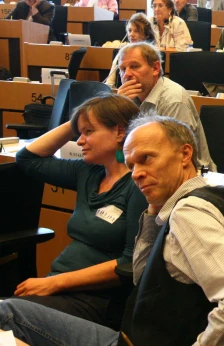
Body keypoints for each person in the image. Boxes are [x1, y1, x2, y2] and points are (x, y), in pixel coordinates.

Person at [0, 115, 224, 345]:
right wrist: (155, 208)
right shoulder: (209, 196)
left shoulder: (190, 215)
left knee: (8, 313)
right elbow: (142, 273)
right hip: (134, 332)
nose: (137, 173)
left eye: (147, 159)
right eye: (132, 166)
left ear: (185, 154)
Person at [8, 95, 145, 329]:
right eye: (79, 132)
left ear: (120, 132)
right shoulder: (89, 172)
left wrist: (56, 284)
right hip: (59, 288)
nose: (79, 140)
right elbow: (27, 158)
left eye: (88, 132)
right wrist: (75, 123)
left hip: (98, 302)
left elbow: (131, 263)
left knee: (6, 315)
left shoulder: (138, 185)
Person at [116, 42, 214, 170]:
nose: (127, 74)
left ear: (155, 68)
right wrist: (119, 106)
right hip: (144, 167)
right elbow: (115, 148)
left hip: (186, 174)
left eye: (134, 66)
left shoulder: (173, 99)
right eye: (122, 69)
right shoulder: (128, 98)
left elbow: (174, 154)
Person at [104, 14, 156, 87]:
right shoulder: (121, 54)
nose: (131, 34)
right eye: (129, 30)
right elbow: (110, 83)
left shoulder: (153, 55)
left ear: (146, 34)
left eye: (136, 31)